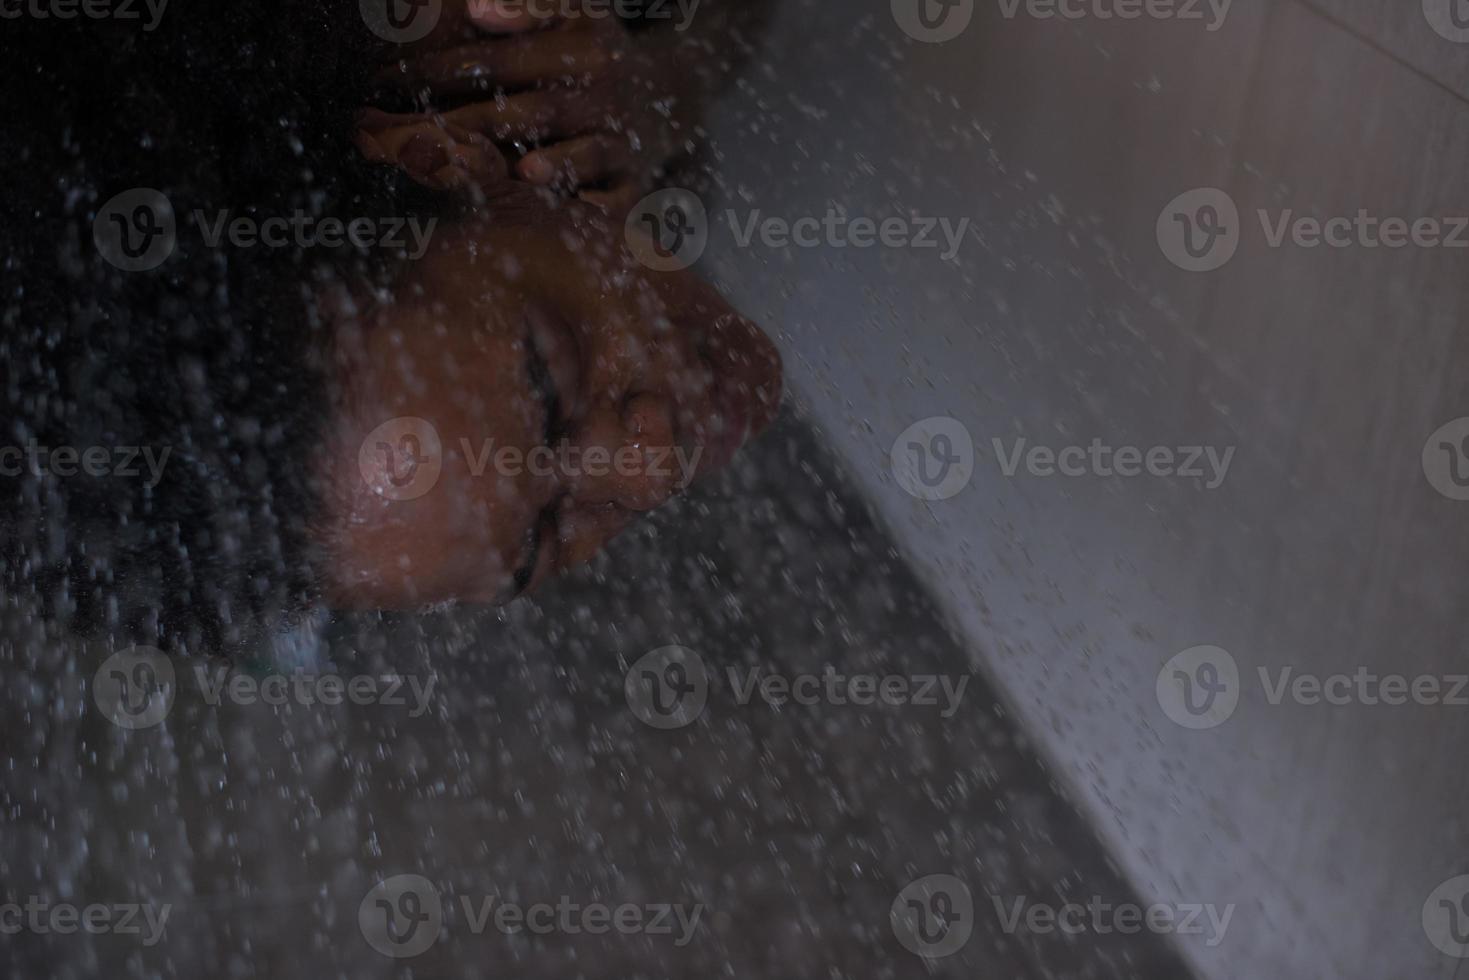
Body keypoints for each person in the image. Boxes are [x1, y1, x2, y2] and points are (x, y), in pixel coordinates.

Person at [0, 0, 779, 656]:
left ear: (438, 157)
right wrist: (671, 79)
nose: (653, 469)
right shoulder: (566, 137)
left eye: (562, 369)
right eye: (541, 543)